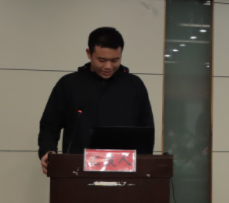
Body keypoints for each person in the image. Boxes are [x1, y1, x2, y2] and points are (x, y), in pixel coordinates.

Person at [38, 27, 154, 174]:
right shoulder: (69, 84)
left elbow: (146, 130)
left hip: (124, 169)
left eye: (115, 60)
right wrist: (48, 151)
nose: (108, 66)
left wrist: (144, 165)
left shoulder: (134, 86)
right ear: (89, 53)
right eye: (101, 60)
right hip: (77, 170)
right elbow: (50, 125)